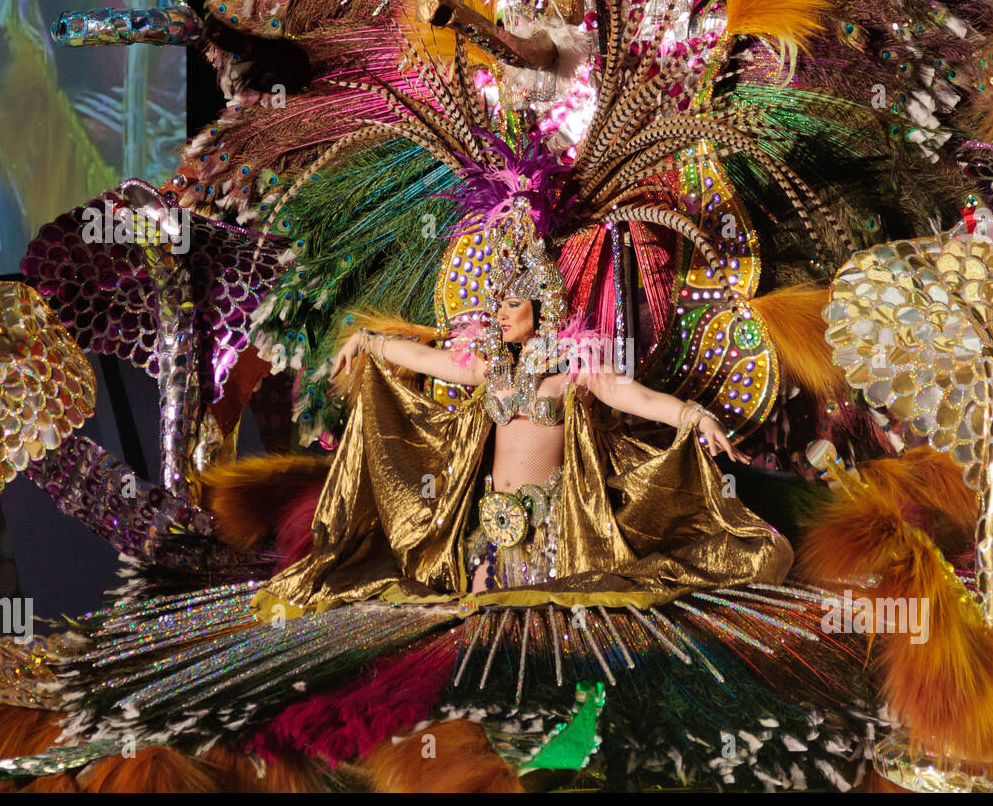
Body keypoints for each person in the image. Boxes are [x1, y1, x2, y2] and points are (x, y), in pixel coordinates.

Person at [253, 202, 792, 614]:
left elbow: (635, 397)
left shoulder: (572, 371)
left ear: (542, 308)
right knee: (481, 618)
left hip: (555, 531)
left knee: (543, 618)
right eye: (498, 303)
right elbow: (424, 357)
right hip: (489, 526)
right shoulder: (487, 367)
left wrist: (695, 417)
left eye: (512, 303)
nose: (501, 313)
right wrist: (368, 342)